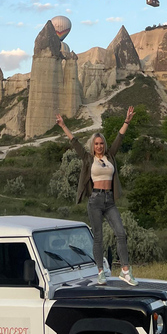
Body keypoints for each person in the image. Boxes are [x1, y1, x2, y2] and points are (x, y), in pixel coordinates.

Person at [55, 106, 138, 286]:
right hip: (95, 201)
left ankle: (125, 271)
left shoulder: (110, 156)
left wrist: (127, 121)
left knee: (121, 234)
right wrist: (63, 125)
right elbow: (74, 141)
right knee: (98, 237)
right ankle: (100, 271)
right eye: (96, 144)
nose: (99, 146)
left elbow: (119, 138)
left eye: (101, 143)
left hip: (109, 200)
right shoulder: (87, 159)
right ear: (93, 146)